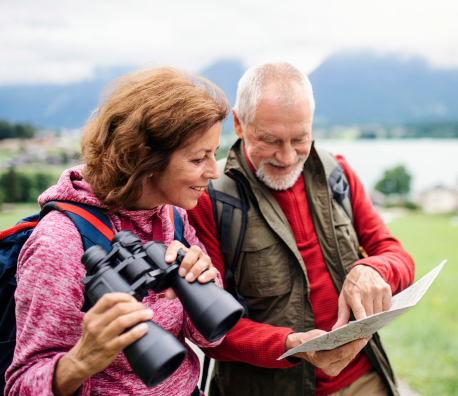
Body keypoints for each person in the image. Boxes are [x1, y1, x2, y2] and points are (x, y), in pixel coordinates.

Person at [188, 62, 415, 396]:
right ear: (238, 123)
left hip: (365, 381)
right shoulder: (210, 198)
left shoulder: (337, 172)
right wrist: (289, 344)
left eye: (300, 138)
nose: (287, 156)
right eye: (269, 140)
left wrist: (373, 268)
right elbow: (207, 328)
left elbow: (398, 256)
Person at [5, 67, 230, 396]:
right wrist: (79, 362)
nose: (212, 171)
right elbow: (20, 386)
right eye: (198, 158)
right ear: (145, 159)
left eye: (214, 154)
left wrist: (206, 284)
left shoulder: (174, 217)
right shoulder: (59, 244)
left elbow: (210, 337)